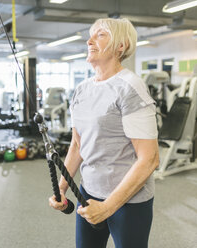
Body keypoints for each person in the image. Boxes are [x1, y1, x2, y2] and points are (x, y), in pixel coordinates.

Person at [49, 18, 159, 248]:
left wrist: (108, 207)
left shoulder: (129, 87)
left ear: (121, 46)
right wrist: (61, 188)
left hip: (129, 201)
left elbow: (149, 159)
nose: (89, 40)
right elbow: (78, 145)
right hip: (88, 192)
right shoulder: (82, 89)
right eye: (90, 35)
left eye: (100, 35)